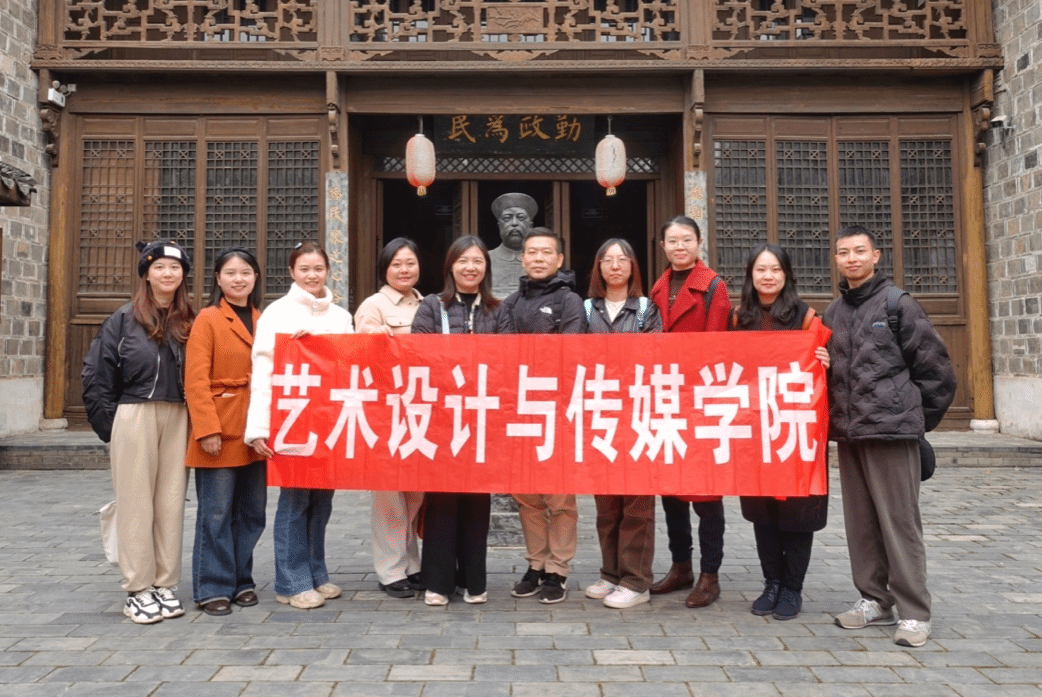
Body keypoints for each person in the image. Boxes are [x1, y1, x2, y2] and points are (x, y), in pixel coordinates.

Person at [824, 225, 955, 647]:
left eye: (859, 251)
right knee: (860, 523)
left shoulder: (899, 304)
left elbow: (937, 372)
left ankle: (914, 612)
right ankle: (873, 598)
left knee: (899, 523)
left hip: (893, 434)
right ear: (837, 259)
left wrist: (914, 422)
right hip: (851, 434)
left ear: (876, 255)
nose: (852, 259)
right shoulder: (833, 313)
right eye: (844, 252)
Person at [82, 239, 195, 624]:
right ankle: (138, 588)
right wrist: (112, 426)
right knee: (135, 503)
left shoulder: (189, 320)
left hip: (179, 416)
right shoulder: (123, 319)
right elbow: (97, 373)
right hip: (134, 414)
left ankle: (165, 583)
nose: (168, 274)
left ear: (183, 275)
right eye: (159, 267)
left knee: (170, 503)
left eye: (175, 268)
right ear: (146, 273)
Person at [244, 241, 354, 610]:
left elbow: (350, 366)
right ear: (292, 272)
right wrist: (259, 428)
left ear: (328, 271)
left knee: (321, 501)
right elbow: (263, 371)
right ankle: (290, 582)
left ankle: (316, 572)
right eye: (304, 269)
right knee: (294, 501)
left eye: (318, 268)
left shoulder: (341, 316)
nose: (311, 275)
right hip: (290, 423)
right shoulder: (277, 313)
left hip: (328, 423)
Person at [729, 243, 830, 620]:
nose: (767, 276)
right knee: (763, 512)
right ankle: (771, 582)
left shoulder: (806, 318)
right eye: (760, 270)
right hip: (754, 431)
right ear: (750, 276)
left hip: (796, 431)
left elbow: (825, 373)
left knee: (797, 512)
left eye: (775, 270)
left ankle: (792, 587)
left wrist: (826, 361)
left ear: (786, 275)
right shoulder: (738, 318)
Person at [411, 236, 501, 606]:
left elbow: (509, 357)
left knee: (478, 500)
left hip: (483, 417)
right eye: (463, 260)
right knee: (443, 500)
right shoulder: (432, 306)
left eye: (477, 261)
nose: (470, 267)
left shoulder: (498, 310)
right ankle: (438, 581)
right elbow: (417, 353)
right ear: (450, 266)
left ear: (486, 267)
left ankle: (474, 581)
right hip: (441, 417)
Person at [498, 227, 586, 603]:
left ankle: (558, 570)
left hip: (558, 411)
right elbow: (503, 355)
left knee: (560, 497)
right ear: (522, 258)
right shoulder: (510, 303)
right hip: (520, 410)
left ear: (559, 259)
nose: (538, 258)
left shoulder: (570, 301)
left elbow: (571, 352)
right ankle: (536, 564)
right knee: (527, 495)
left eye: (546, 252)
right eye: (531, 252)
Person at [648, 215, 730, 608]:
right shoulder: (658, 287)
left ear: (698, 243)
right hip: (666, 398)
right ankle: (680, 566)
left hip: (700, 399)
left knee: (706, 494)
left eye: (686, 240)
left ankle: (710, 575)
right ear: (662, 246)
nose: (679, 247)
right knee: (671, 492)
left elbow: (716, 348)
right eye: (673, 241)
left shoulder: (713, 286)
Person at [581, 238, 663, 610]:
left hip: (638, 412)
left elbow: (656, 354)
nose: (615, 266)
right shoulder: (586, 309)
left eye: (622, 259)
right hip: (600, 415)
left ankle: (636, 580)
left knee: (637, 502)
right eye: (608, 260)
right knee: (606, 502)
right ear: (598, 267)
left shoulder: (646, 309)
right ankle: (610, 573)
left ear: (633, 267)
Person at [184, 247, 266, 617]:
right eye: (230, 273)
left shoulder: (263, 318)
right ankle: (213, 586)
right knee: (216, 513)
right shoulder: (208, 318)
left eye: (245, 272)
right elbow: (195, 379)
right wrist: (206, 429)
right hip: (220, 427)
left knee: (251, 511)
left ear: (255, 277)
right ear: (217, 278)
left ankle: (241, 580)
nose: (238, 279)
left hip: (255, 429)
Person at [354, 237, 426, 599]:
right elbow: (361, 354)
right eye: (396, 264)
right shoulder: (373, 306)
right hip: (385, 412)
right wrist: (375, 338)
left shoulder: (428, 305)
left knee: (414, 494)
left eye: (410, 263)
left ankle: (411, 564)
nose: (404, 270)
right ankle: (390, 570)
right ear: (384, 268)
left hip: (420, 411)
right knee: (389, 497)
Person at [488, 192, 537, 300]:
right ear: (499, 226)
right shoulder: (485, 259)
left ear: (530, 226)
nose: (514, 223)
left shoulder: (539, 260)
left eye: (521, 218)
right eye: (507, 218)